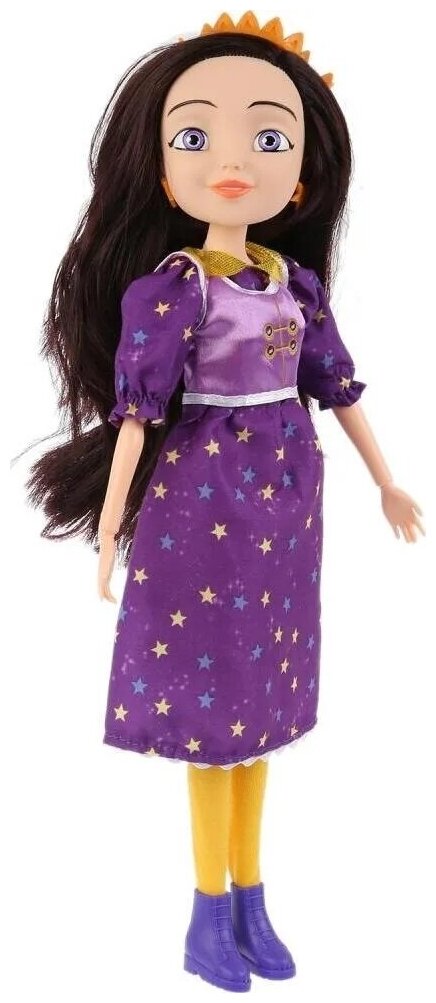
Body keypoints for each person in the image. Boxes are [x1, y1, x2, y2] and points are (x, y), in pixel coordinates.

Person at [26, 11, 425, 993]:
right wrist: (109, 526)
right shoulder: (176, 291)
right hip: (203, 499)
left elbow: (336, 388)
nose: (233, 161)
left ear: (306, 176)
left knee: (262, 712)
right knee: (214, 720)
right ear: (164, 173)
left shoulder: (293, 285)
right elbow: (136, 415)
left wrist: (385, 479)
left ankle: (251, 895)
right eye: (197, 135)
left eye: (270, 137)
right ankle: (208, 910)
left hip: (285, 501)